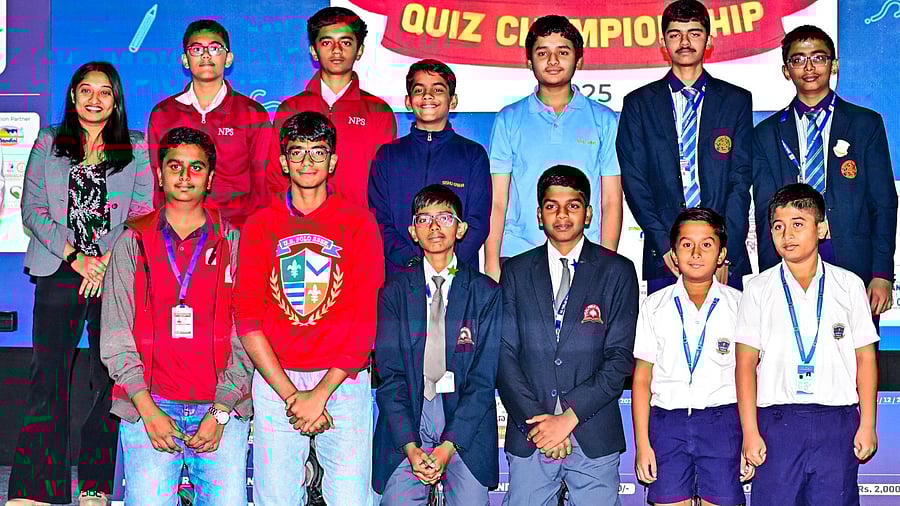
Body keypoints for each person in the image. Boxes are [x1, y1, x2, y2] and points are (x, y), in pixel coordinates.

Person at [8, 61, 152, 506]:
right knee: (47, 378)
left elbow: (143, 211)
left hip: (113, 273)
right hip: (59, 267)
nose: (94, 99)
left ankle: (95, 484)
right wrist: (78, 257)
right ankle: (37, 489)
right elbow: (33, 210)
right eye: (85, 90)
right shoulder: (50, 142)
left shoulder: (137, 147)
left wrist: (107, 260)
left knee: (107, 380)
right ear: (72, 97)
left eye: (104, 92)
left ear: (116, 100)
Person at [234, 111, 384, 504]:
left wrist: (319, 393)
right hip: (275, 381)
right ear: (283, 162)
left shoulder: (359, 223)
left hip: (343, 381)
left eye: (318, 153)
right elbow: (247, 318)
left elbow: (365, 321)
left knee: (352, 499)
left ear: (333, 161)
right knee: (276, 499)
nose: (307, 163)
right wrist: (291, 396)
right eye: (297, 153)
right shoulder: (259, 224)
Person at [100, 127, 252, 505]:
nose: (185, 177)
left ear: (211, 178)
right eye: (175, 167)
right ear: (159, 174)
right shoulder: (131, 241)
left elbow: (248, 332)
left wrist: (220, 412)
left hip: (221, 408)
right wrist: (148, 410)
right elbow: (115, 335)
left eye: (196, 168)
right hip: (148, 407)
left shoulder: (232, 240)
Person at [497, 165, 638, 505]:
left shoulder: (617, 271)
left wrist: (568, 419)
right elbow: (504, 356)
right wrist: (542, 426)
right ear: (539, 213)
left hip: (592, 428)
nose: (562, 215)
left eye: (572, 205)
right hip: (532, 431)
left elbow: (620, 359)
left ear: (588, 213)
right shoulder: (515, 271)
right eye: (551, 206)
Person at [735, 183, 879, 505]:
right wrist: (750, 431)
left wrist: (867, 423)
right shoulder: (758, 289)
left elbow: (866, 360)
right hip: (776, 423)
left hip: (836, 422)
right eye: (778, 226)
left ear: (822, 229)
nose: (787, 235)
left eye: (798, 224)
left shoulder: (849, 285)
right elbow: (745, 365)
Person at [752, 25, 896, 320]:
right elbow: (765, 210)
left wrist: (881, 273)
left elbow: (883, 202)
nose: (809, 67)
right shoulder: (766, 134)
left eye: (818, 58)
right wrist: (769, 277)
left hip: (852, 259)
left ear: (834, 65)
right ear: (785, 70)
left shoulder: (865, 125)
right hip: (790, 260)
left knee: (856, 358)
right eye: (798, 59)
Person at [374, 184, 501, 504]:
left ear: (461, 229)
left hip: (464, 429)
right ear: (412, 232)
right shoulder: (395, 292)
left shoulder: (485, 293)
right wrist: (410, 447)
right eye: (424, 219)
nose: (434, 226)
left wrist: (447, 447)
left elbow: (483, 381)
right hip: (409, 422)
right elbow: (390, 377)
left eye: (445, 217)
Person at [618, 0, 752, 294]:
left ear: (709, 40)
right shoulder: (639, 104)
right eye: (675, 34)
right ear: (663, 42)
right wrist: (665, 242)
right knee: (667, 338)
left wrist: (723, 248)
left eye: (694, 33)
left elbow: (740, 181)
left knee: (728, 339)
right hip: (664, 254)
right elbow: (635, 181)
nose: (685, 42)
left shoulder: (736, 101)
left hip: (724, 256)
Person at [485, 15, 622, 282]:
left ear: (578, 60)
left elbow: (611, 200)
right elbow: (497, 201)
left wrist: (606, 264)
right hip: (519, 253)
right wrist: (492, 263)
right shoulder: (508, 118)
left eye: (562, 52)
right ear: (529, 61)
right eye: (543, 53)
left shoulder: (604, 119)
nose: (553, 61)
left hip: (586, 256)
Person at [632, 208, 753, 506]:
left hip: (723, 421)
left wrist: (749, 437)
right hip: (667, 422)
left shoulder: (741, 305)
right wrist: (643, 444)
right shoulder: (654, 305)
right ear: (673, 254)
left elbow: (752, 376)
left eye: (707, 245)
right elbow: (642, 379)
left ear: (722, 253)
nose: (696, 253)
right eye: (687, 245)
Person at [368, 60, 491, 277]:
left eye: (437, 89)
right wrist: (411, 262)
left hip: (459, 274)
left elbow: (478, 221)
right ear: (408, 101)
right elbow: (378, 220)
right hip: (402, 275)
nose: (427, 96)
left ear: (452, 101)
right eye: (419, 90)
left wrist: (447, 265)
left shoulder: (473, 155)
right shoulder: (388, 156)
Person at [266, 6, 396, 208]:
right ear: (314, 51)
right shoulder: (291, 108)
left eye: (345, 42)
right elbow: (275, 177)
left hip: (357, 228)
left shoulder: (379, 112)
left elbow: (385, 185)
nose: (337, 50)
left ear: (359, 50)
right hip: (300, 228)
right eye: (327, 42)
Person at [147, 19, 271, 226]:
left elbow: (264, 186)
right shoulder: (163, 113)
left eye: (214, 48)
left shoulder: (252, 114)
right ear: (185, 60)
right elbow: (158, 184)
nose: (205, 55)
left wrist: (250, 234)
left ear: (228, 58)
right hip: (179, 232)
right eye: (196, 49)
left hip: (237, 232)